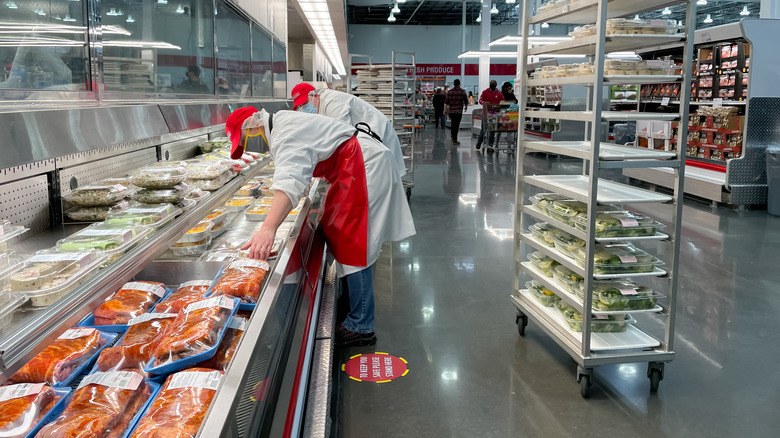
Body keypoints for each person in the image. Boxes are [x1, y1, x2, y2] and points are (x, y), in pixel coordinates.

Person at [226, 107, 416, 347]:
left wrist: (268, 228)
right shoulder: (283, 123)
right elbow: (303, 162)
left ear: (251, 126)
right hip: (353, 165)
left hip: (360, 165)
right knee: (345, 236)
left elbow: (289, 181)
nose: (249, 146)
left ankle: (361, 326)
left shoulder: (284, 132)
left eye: (244, 140)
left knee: (353, 244)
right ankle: (353, 306)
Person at [290, 83, 406, 178]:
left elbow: (341, 135)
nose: (304, 108)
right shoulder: (321, 106)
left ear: (315, 95)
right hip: (368, 144)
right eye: (301, 106)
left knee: (383, 183)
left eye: (305, 102)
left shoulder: (332, 101)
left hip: (379, 138)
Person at [475, 79, 504, 150]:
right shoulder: (485, 92)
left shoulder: (499, 93)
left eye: (494, 84)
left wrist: (501, 105)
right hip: (486, 114)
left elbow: (502, 101)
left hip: (494, 114)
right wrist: (485, 103)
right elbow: (480, 100)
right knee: (484, 129)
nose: (493, 85)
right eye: (491, 84)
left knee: (492, 130)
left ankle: (490, 145)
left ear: (496, 85)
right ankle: (479, 142)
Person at [494, 82, 518, 151]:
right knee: (500, 129)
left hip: (510, 114)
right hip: (502, 114)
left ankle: (509, 145)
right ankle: (497, 143)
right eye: (509, 88)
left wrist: (512, 94)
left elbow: (515, 101)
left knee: (510, 130)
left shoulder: (511, 94)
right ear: (505, 88)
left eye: (511, 88)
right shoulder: (501, 94)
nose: (510, 89)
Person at [444, 79, 468, 145]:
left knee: (453, 124)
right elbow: (466, 100)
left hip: (451, 111)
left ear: (454, 84)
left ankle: (453, 137)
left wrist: (444, 110)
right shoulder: (462, 91)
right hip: (459, 111)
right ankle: (454, 138)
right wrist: (466, 107)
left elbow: (446, 101)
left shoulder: (450, 92)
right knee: (457, 125)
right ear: (459, 84)